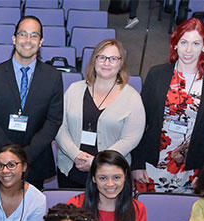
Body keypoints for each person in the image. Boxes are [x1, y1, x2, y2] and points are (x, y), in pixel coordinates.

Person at [133, 18, 204, 194]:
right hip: (151, 164)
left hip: (192, 169)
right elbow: (140, 121)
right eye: (183, 42)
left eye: (195, 43)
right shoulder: (157, 74)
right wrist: (137, 163)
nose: (188, 49)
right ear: (175, 44)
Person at [0, 15, 63, 187]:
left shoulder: (53, 77)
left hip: (35, 161)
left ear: (41, 41)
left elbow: (53, 121)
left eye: (34, 35)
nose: (28, 40)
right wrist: (9, 155)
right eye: (23, 34)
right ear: (14, 39)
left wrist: (26, 155)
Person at [56, 39, 144, 188]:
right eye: (102, 57)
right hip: (71, 168)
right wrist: (75, 154)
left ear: (121, 63)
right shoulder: (74, 89)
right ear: (94, 60)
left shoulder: (132, 98)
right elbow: (59, 126)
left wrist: (97, 161)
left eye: (113, 58)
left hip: (110, 175)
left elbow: (129, 139)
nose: (107, 63)